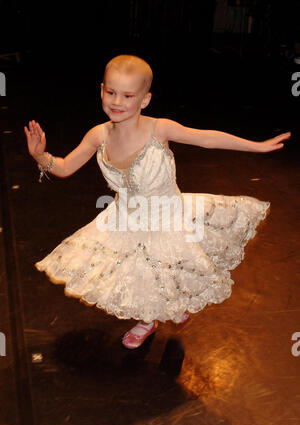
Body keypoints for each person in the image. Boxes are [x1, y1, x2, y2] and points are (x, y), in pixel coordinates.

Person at [24, 54, 291, 350]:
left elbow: (207, 139)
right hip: (125, 219)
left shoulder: (159, 129)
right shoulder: (98, 135)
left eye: (128, 95)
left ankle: (160, 312)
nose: (116, 101)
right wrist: (40, 156)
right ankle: (151, 318)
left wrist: (257, 146)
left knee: (164, 265)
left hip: (167, 216)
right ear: (101, 89)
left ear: (145, 99)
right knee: (139, 271)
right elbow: (63, 167)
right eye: (110, 92)